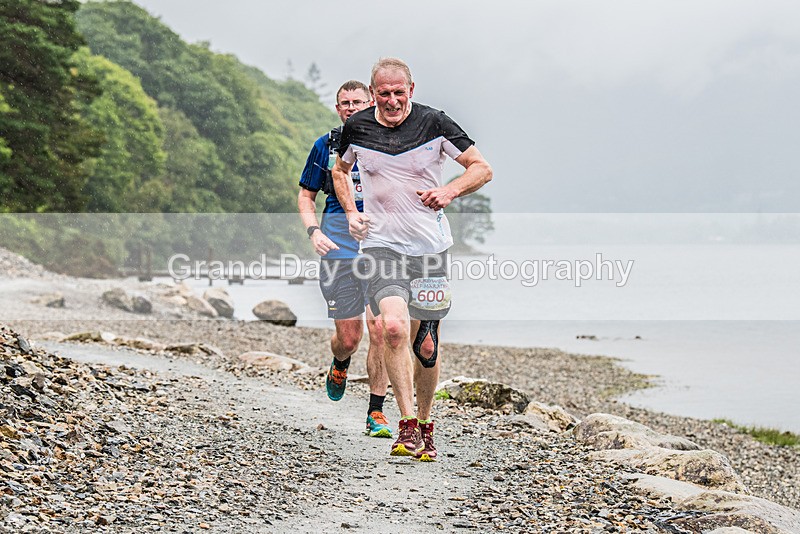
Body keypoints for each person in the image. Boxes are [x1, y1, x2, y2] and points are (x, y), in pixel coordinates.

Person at [332, 58, 492, 461]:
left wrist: (450, 192)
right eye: (383, 94)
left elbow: (482, 169)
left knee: (426, 347)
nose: (391, 101)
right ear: (373, 94)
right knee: (393, 328)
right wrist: (352, 213)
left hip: (430, 250)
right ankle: (405, 426)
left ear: (411, 90)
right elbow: (339, 170)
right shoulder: (357, 128)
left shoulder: (434, 123)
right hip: (381, 246)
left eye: (398, 92)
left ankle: (425, 423)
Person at [298, 80, 391, 438]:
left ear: (371, 104)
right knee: (349, 339)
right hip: (338, 249)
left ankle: (376, 412)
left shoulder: (388, 144)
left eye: (357, 101)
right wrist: (314, 232)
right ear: (338, 109)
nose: (351, 107)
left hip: (381, 248)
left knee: (380, 328)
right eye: (344, 103)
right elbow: (306, 197)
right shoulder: (326, 146)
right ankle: (340, 362)